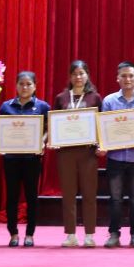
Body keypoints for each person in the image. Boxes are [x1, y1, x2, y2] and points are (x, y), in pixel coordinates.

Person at [52, 60, 103, 247]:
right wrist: (53, 139)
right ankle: (71, 234)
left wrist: (101, 145)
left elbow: (101, 125)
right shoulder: (61, 98)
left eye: (81, 73)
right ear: (70, 76)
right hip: (65, 152)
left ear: (87, 74)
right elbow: (54, 123)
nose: (78, 77)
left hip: (88, 153)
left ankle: (89, 234)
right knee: (68, 194)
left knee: (89, 194)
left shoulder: (95, 98)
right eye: (75, 74)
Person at [0, 71, 50, 247]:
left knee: (31, 197)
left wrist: (41, 142)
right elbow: (0, 131)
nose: (25, 87)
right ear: (16, 86)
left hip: (32, 159)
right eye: (21, 84)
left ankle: (30, 234)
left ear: (35, 86)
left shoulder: (43, 107)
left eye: (28, 84)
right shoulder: (6, 107)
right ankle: (13, 233)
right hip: (11, 158)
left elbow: (49, 130)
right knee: (11, 196)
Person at [100, 62, 134, 248]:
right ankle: (114, 233)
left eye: (131, 76)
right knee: (115, 198)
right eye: (123, 76)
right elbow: (103, 129)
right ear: (117, 78)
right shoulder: (109, 101)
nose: (127, 79)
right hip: (115, 158)